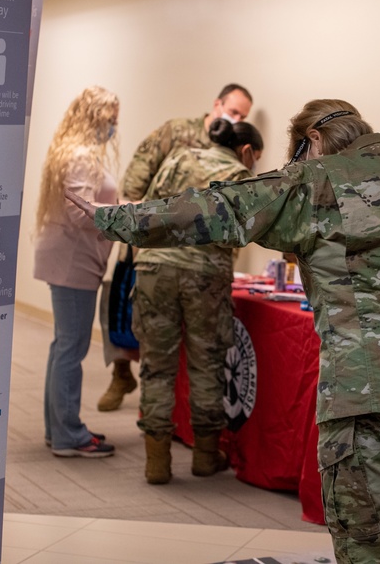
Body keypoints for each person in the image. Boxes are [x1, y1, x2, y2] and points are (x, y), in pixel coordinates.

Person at [67, 99, 380, 564]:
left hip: (374, 394)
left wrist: (113, 219)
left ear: (314, 139)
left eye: (298, 152)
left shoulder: (314, 183)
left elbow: (218, 208)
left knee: (369, 547)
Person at [97, 82, 253, 412]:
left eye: (243, 116)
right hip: (152, 244)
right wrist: (141, 234)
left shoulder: (233, 149)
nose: (236, 118)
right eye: (234, 110)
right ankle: (121, 376)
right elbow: (136, 183)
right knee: (126, 320)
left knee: (180, 349)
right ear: (217, 103)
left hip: (200, 261)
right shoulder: (177, 132)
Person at [133, 119, 264, 484]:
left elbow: (150, 207)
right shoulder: (239, 175)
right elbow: (235, 236)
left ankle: (156, 463)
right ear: (248, 151)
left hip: (154, 266)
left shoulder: (179, 157)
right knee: (207, 363)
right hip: (204, 274)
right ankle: (205, 457)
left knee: (157, 365)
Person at [34, 85, 121, 458]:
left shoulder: (71, 152)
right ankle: (70, 434)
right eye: (111, 120)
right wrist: (120, 215)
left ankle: (59, 429)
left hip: (69, 259)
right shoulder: (83, 156)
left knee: (63, 347)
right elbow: (77, 210)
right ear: (95, 118)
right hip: (74, 262)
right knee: (72, 348)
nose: (114, 127)